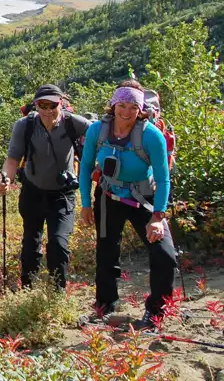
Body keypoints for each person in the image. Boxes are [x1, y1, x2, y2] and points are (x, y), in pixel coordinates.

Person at [79, 80, 177, 330]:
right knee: (106, 252)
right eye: (121, 105)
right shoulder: (96, 131)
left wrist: (158, 217)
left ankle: (155, 312)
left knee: (165, 255)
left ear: (141, 109)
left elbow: (164, 177)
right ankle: (105, 306)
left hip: (144, 200)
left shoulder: (151, 135)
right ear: (113, 105)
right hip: (107, 197)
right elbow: (86, 166)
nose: (126, 112)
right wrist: (85, 204)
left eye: (133, 107)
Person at [0, 84, 91, 289]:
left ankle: (57, 291)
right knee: (31, 242)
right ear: (36, 106)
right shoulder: (25, 125)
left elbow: (101, 136)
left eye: (53, 105)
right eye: (42, 105)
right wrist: (5, 179)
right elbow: (13, 159)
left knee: (58, 243)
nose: (48, 110)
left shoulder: (74, 123)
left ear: (61, 104)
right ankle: (28, 287)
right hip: (33, 191)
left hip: (63, 194)